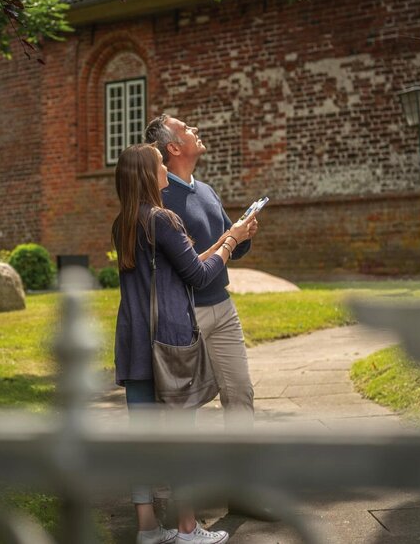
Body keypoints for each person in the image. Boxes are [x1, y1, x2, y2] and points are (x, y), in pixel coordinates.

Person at [113, 143, 255, 544]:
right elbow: (198, 276)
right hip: (169, 342)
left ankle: (147, 529)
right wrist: (231, 244)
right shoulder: (163, 218)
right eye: (160, 165)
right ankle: (189, 528)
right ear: (147, 175)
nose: (165, 171)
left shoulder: (124, 221)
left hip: (134, 342)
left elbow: (183, 264)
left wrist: (226, 236)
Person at [144, 115, 259, 433]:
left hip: (223, 308)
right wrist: (231, 238)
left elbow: (230, 248)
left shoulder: (206, 191)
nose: (195, 129)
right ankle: (180, 476)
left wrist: (242, 235)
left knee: (240, 392)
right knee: (183, 405)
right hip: (185, 314)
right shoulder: (161, 200)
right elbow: (188, 266)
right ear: (174, 147)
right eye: (186, 129)